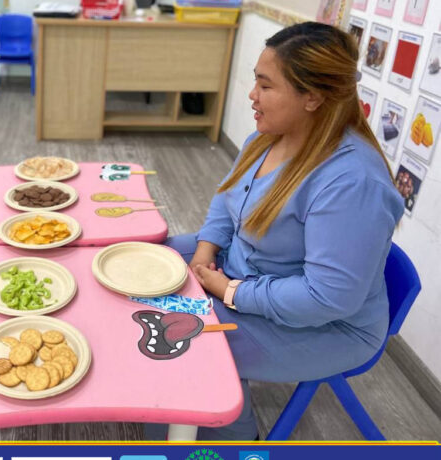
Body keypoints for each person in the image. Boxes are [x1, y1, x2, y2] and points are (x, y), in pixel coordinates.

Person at [162, 22, 404, 440]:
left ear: (312, 97)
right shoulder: (272, 135)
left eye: (265, 86)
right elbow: (228, 197)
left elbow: (327, 297)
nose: (251, 96)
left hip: (328, 327)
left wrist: (229, 292)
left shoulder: (352, 182)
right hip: (248, 274)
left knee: (186, 339)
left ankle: (235, 442)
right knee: (151, 257)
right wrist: (204, 251)